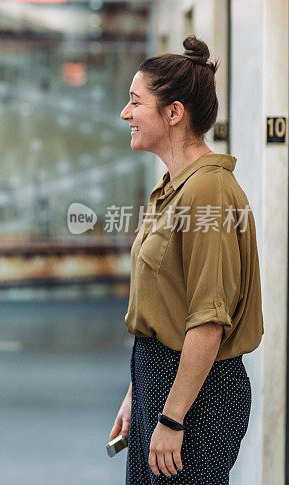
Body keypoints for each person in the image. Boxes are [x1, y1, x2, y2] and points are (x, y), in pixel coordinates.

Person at [110, 36, 263, 483]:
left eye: (135, 102)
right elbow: (169, 306)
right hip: (161, 378)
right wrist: (138, 392)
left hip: (199, 395)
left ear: (173, 113)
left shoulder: (207, 190)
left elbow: (208, 321)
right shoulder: (174, 187)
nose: (126, 114)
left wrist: (173, 418)